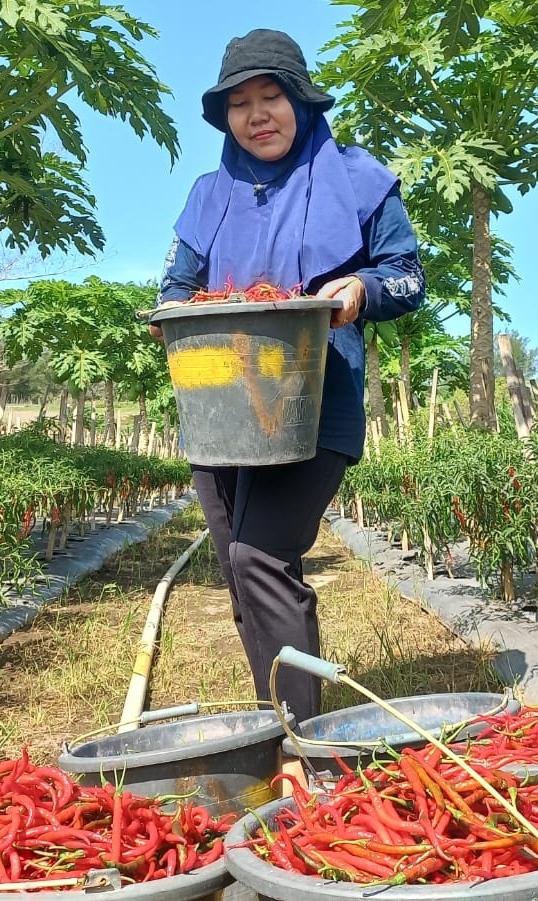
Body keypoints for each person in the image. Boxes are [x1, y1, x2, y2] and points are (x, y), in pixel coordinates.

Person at [155, 29, 425, 722]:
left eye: (271, 95)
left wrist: (361, 289)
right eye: (239, 103)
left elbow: (408, 277)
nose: (257, 113)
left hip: (314, 399)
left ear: (301, 101)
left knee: (259, 556)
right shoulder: (208, 195)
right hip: (220, 409)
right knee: (243, 574)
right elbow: (177, 287)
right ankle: (280, 723)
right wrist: (173, 310)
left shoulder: (359, 179)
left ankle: (305, 741)